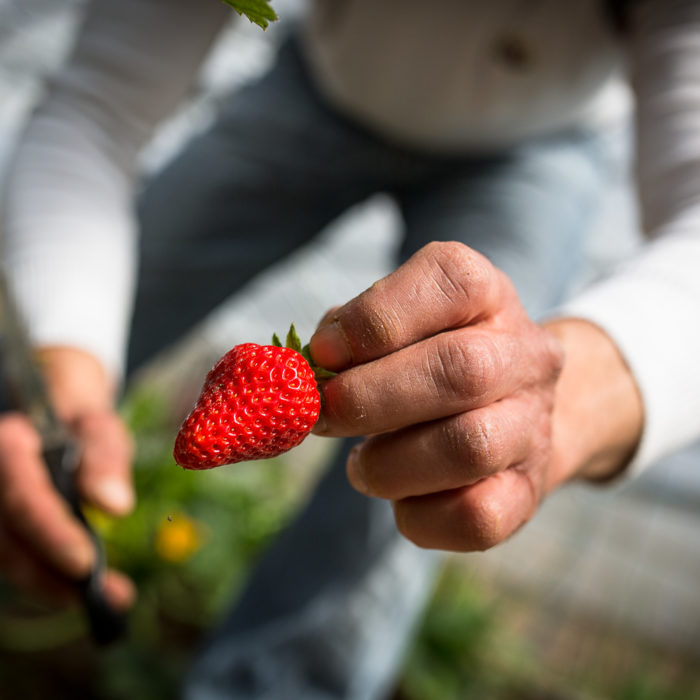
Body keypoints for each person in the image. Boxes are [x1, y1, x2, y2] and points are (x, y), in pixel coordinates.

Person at [1, 0, 700, 697]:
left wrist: (558, 409)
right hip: (318, 86)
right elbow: (94, 108)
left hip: (538, 142)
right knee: (48, 344)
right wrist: (57, 387)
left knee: (440, 458)